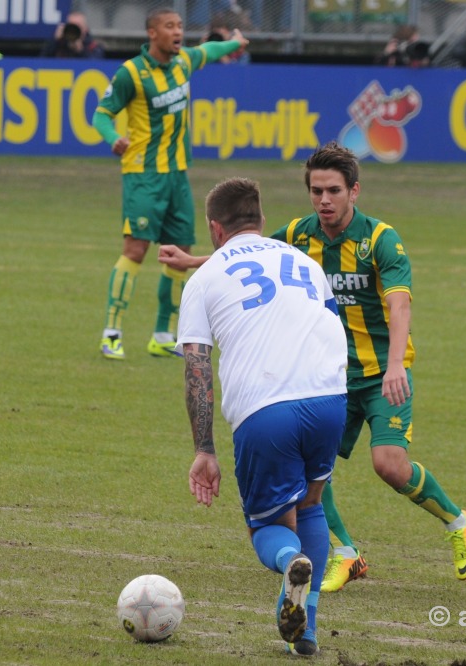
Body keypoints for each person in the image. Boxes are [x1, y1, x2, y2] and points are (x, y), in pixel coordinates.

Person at [159, 142, 466, 592]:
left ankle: (458, 521)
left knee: (389, 464)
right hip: (329, 378)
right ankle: (346, 554)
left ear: (354, 191)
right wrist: (192, 262)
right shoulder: (299, 234)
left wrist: (393, 367)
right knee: (311, 470)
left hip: (382, 373)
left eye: (333, 190)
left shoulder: (381, 239)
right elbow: (245, 256)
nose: (324, 200)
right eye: (315, 191)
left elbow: (400, 305)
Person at [177, 177, 348, 656]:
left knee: (267, 527)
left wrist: (204, 448)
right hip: (330, 398)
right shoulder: (303, 262)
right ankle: (305, 631)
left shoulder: (205, 278)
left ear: (215, 229)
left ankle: (289, 558)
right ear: (261, 222)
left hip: (265, 410)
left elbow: (197, 368)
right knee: (312, 504)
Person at [91, 7, 249, 361]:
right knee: (136, 250)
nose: (178, 31)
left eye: (180, 25)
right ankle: (112, 333)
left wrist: (234, 43)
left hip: (178, 174)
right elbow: (101, 114)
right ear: (152, 33)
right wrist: (112, 137)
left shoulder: (184, 62)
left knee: (178, 254)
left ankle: (162, 333)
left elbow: (209, 51)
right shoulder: (131, 73)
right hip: (143, 175)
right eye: (169, 26)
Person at [40, 11, 105, 59]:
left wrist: (80, 51)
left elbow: (96, 67)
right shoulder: (59, 44)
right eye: (72, 26)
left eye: (78, 26)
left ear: (86, 29)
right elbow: (41, 61)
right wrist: (54, 41)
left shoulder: (93, 46)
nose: (74, 30)